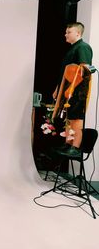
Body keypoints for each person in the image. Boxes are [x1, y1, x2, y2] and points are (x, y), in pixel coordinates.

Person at [52, 22, 93, 157]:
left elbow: (82, 71)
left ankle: (75, 147)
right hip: (67, 90)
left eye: (69, 32)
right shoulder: (72, 48)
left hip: (78, 91)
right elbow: (66, 74)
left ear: (78, 33)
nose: (66, 34)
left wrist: (70, 89)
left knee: (76, 118)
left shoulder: (83, 47)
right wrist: (59, 88)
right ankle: (68, 144)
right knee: (69, 118)